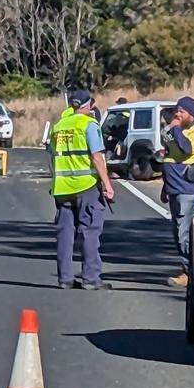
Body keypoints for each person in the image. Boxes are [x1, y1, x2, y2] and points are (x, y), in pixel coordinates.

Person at [50, 90, 115, 290]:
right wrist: (107, 183)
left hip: (62, 187)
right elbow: (96, 156)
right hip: (86, 185)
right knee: (90, 231)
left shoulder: (59, 127)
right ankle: (91, 278)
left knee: (65, 234)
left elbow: (52, 157)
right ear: (88, 105)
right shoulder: (88, 124)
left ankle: (65, 279)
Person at [161, 96, 194, 288]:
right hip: (175, 189)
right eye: (176, 111)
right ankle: (188, 269)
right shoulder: (180, 131)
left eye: (182, 111)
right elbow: (172, 156)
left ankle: (191, 273)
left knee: (185, 233)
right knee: (178, 232)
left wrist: (174, 128)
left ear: (192, 114)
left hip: (188, 189)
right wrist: (166, 187)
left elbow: (185, 148)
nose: (178, 114)